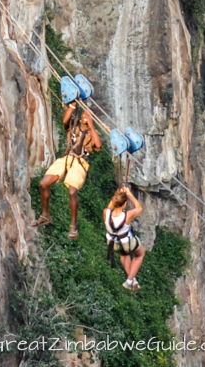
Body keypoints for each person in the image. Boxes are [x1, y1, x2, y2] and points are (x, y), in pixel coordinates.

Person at [32, 103, 102, 239]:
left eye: (89, 115)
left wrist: (92, 126)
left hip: (80, 162)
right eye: (84, 113)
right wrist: (72, 106)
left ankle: (73, 226)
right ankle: (45, 215)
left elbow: (98, 145)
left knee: (72, 191)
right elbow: (65, 121)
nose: (86, 116)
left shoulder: (94, 133)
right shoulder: (74, 125)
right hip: (67, 158)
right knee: (43, 183)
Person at [104, 186, 145, 292]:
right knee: (140, 254)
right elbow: (139, 208)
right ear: (125, 204)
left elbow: (111, 205)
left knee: (124, 255)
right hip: (126, 242)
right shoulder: (128, 215)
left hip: (113, 244)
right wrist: (129, 194)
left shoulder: (106, 213)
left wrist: (118, 194)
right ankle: (129, 280)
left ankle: (132, 279)